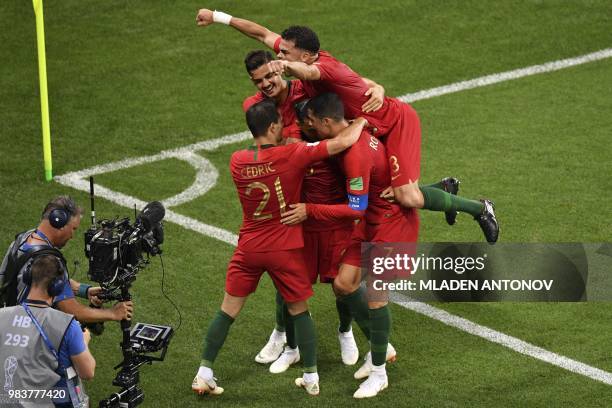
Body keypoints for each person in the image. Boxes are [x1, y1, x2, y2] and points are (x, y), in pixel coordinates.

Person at [195, 9, 499, 243]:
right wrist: (218, 17)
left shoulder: (323, 68)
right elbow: (261, 33)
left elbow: (309, 72)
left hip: (395, 124)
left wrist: (286, 67)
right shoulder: (303, 63)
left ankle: (479, 208)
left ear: (304, 55)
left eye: (285, 53)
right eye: (281, 52)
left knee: (407, 197)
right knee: (381, 193)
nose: (279, 54)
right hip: (367, 128)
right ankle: (444, 190)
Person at [192, 99, 368, 396]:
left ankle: (204, 372)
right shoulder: (292, 154)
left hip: (248, 247)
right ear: (273, 126)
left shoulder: (236, 160)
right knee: (300, 312)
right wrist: (360, 122)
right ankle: (311, 377)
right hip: (283, 247)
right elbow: (341, 143)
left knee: (226, 312)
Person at [242, 51, 362, 369]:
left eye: (271, 74)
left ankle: (345, 331)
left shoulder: (307, 88)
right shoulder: (257, 108)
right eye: (259, 80)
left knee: (342, 281)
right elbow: (280, 148)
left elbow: (348, 86)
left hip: (329, 197)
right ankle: (284, 338)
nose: (267, 83)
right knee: (289, 281)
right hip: (296, 207)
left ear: (280, 67)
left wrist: (373, 92)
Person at [302, 92, 420, 398]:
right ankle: (378, 350)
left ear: (327, 122)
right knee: (343, 284)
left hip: (391, 223)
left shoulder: (355, 154)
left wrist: (310, 210)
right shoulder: (355, 128)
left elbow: (355, 207)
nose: (310, 127)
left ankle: (379, 373)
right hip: (372, 220)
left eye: (313, 123)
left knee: (377, 297)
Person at [0, 196, 133, 322]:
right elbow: (72, 310)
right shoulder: (50, 259)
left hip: (8, 321)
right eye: (73, 228)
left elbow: (40, 277)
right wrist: (113, 313)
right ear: (59, 222)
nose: (72, 236)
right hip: (30, 332)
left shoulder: (23, 239)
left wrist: (84, 290)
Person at [0, 255, 95, 407]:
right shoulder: (68, 324)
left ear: (28, 277)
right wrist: (84, 341)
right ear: (57, 286)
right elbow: (87, 372)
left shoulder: (2, 315)